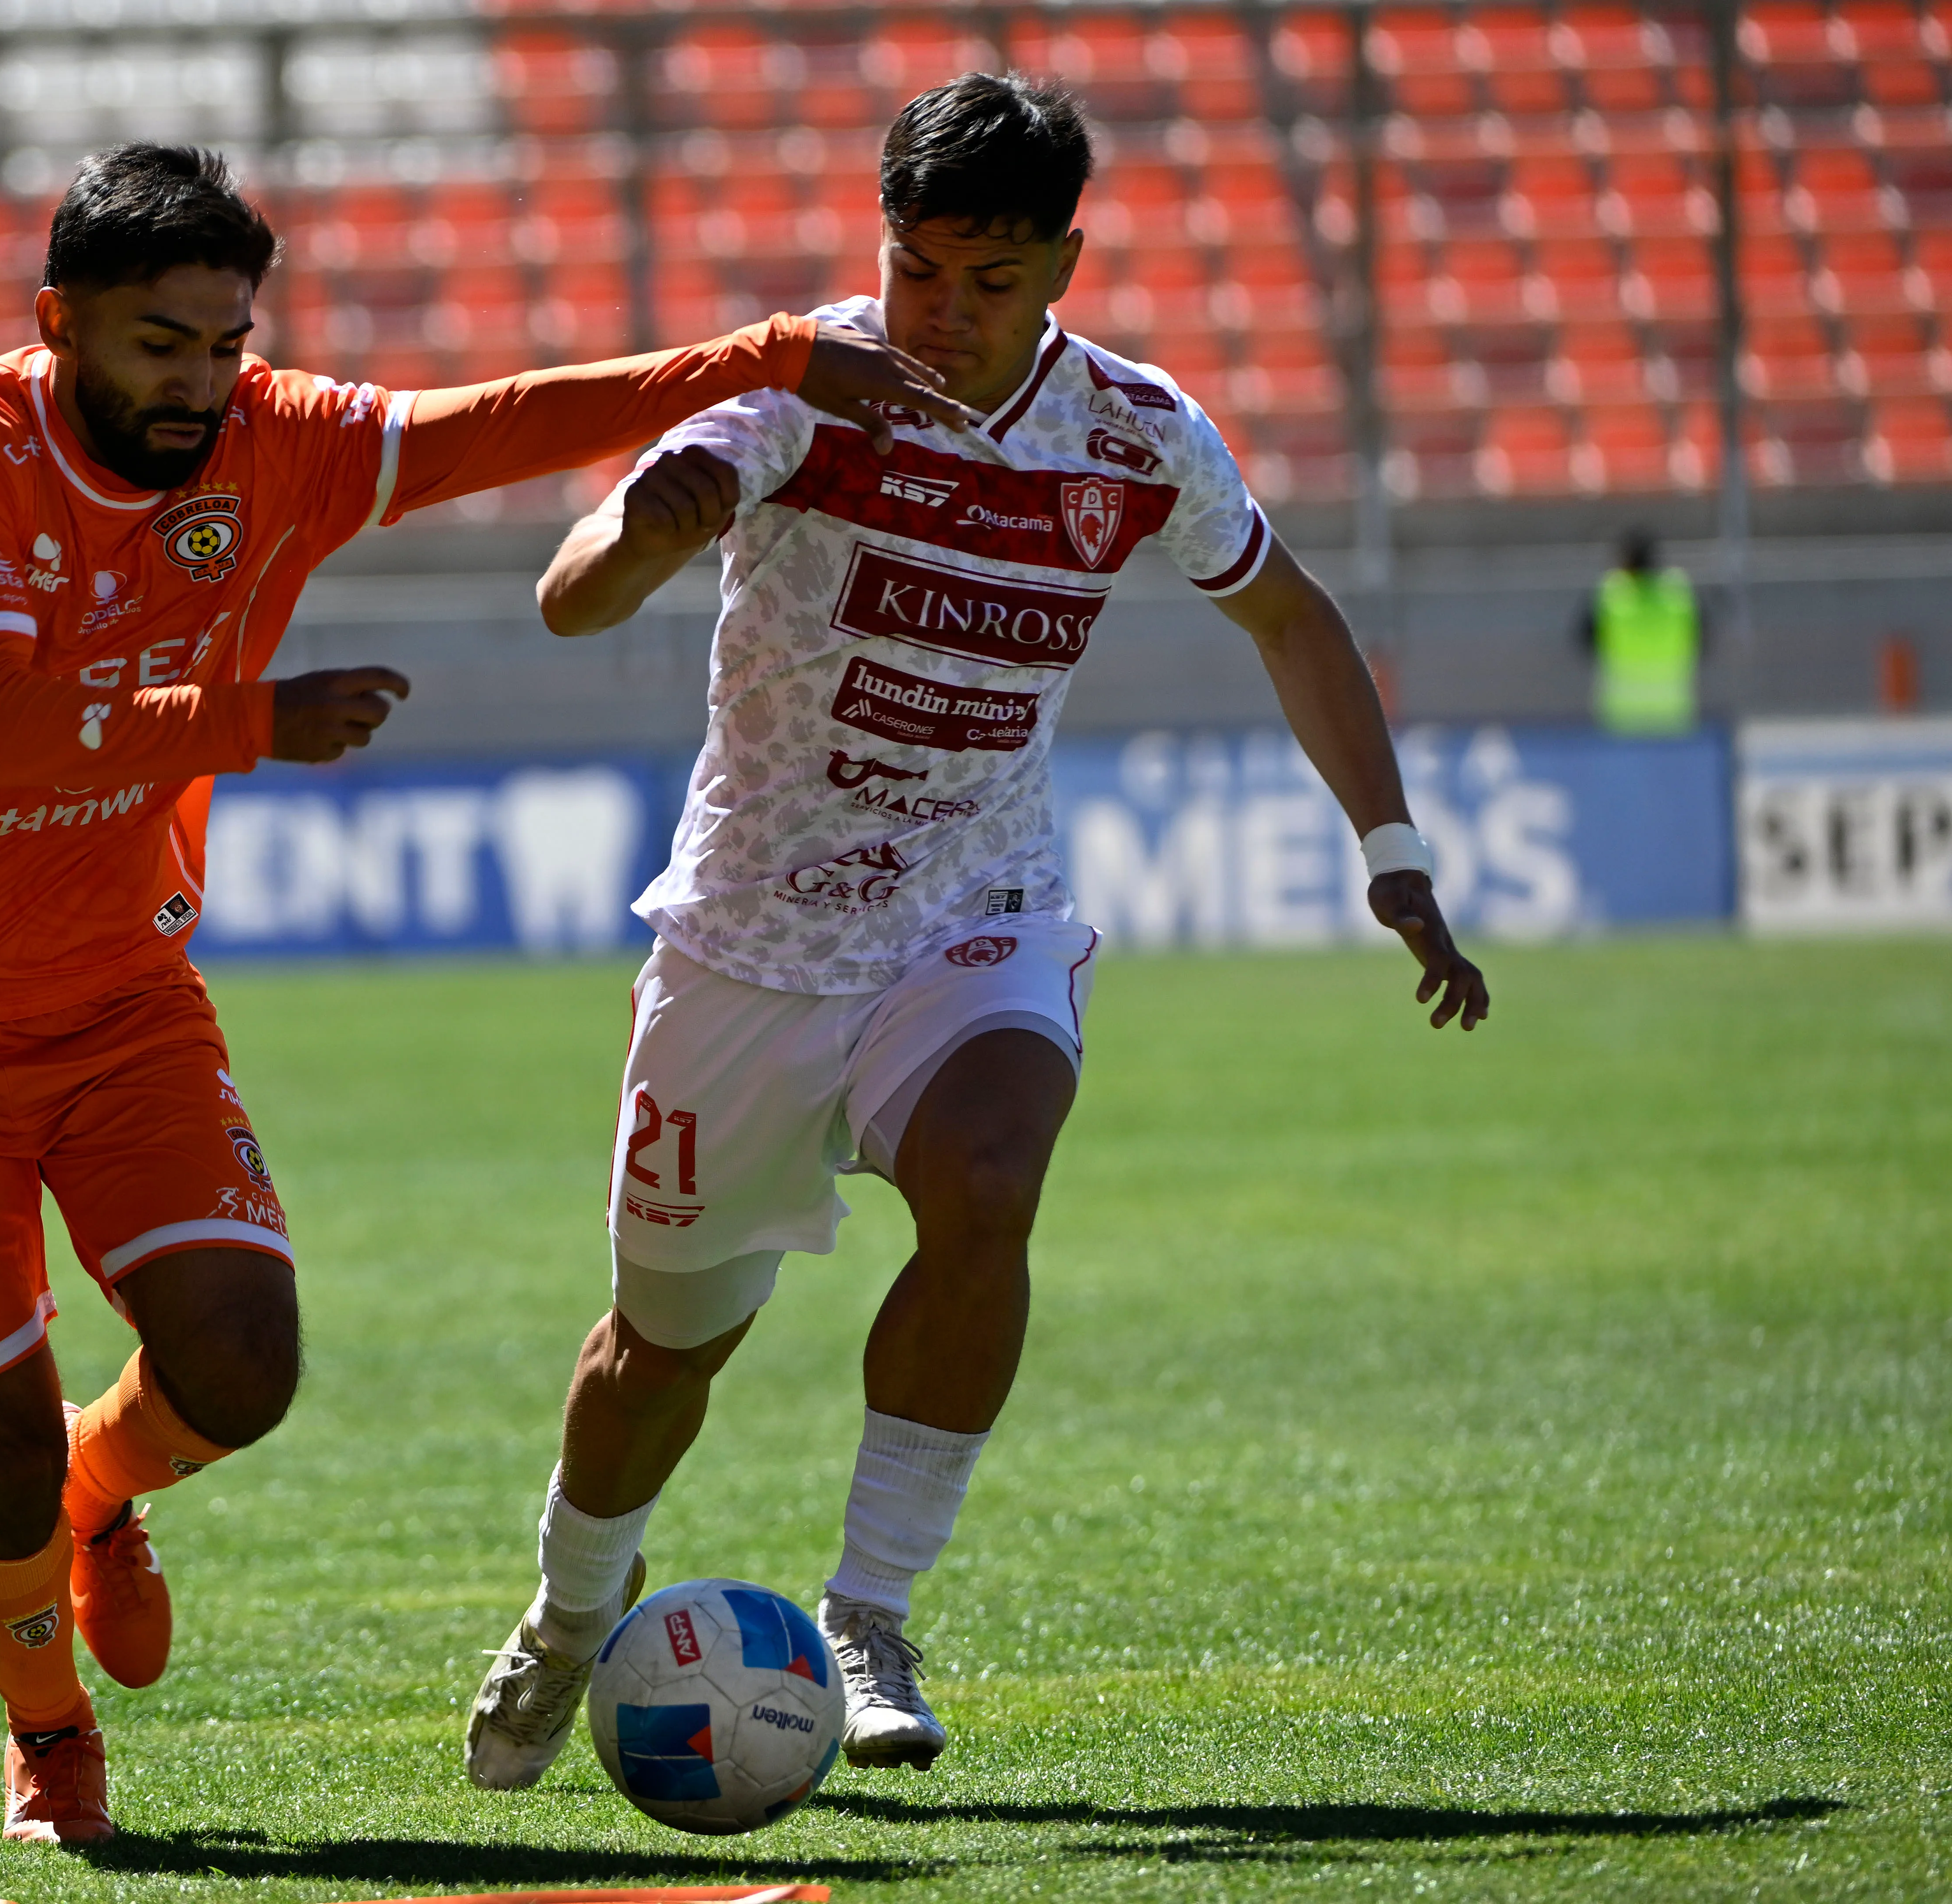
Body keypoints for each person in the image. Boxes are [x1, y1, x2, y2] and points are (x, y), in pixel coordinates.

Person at [0, 142, 970, 1846]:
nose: (201, 379)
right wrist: (250, 720)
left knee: (240, 1367)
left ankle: (107, 1497)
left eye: (227, 340)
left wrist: (754, 357)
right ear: (58, 324)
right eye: (161, 343)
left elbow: (496, 424)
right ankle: (51, 1741)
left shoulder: (270, 442)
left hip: (113, 1000)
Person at [463, 73, 1491, 1791]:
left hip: (976, 918)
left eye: (986, 284)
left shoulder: (1134, 433)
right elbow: (574, 591)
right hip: (745, 945)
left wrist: (1389, 855)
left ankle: (865, 1614)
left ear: (1062, 266)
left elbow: (1292, 619)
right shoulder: (794, 396)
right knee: (662, 1350)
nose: (940, 315)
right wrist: (644, 533)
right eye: (916, 270)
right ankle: (572, 1615)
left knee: (993, 1178)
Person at [1578, 526, 1702, 734]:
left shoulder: (1612, 593)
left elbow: (1584, 640)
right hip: (1672, 711)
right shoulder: (1678, 593)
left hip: (1621, 714)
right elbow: (1703, 639)